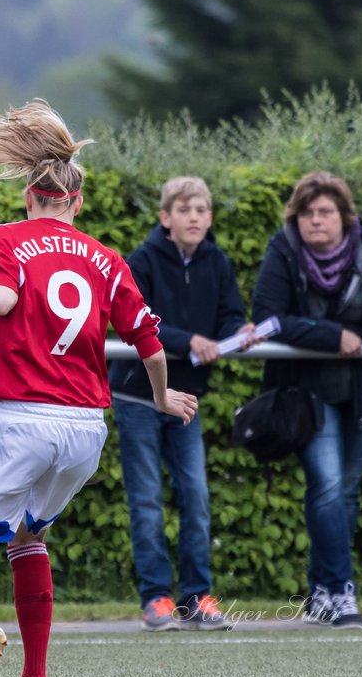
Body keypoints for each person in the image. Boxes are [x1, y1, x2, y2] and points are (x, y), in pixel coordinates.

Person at [0, 100, 198, 677]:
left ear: (29, 193)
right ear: (76, 203)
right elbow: (150, 343)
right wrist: (163, 398)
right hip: (87, 427)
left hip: (23, 417)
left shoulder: (2, 238)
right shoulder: (107, 260)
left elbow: (0, 303)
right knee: (30, 539)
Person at [251, 171, 362, 629]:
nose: (316, 221)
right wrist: (331, 336)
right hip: (305, 391)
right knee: (325, 485)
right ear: (296, 218)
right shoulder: (282, 250)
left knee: (345, 491)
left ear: (344, 216)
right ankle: (342, 592)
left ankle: (321, 590)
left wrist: (354, 339)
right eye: (307, 213)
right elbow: (266, 317)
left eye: (325, 212)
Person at [109, 176, 256, 632]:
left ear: (210, 218)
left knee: (196, 494)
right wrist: (189, 339)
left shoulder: (218, 261)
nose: (193, 217)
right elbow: (134, 321)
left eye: (201, 210)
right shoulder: (142, 260)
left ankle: (197, 598)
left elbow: (230, 316)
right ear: (165, 218)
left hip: (186, 397)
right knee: (148, 498)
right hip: (137, 395)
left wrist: (238, 336)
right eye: (184, 209)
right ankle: (156, 597)